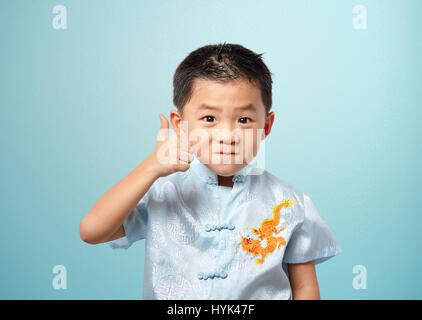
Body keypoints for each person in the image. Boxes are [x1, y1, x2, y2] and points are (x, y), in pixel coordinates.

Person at [79, 43, 342, 300]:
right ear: (180, 125)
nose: (227, 136)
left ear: (267, 125)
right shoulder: (162, 191)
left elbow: (305, 288)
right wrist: (151, 168)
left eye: (244, 120)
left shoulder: (289, 203)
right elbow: (92, 231)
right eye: (209, 119)